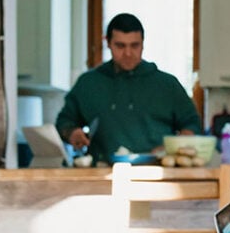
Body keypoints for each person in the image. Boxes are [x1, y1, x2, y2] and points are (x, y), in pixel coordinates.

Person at [55, 12, 203, 164]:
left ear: (143, 44)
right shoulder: (89, 83)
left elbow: (192, 124)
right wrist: (72, 133)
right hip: (102, 172)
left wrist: (174, 146)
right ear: (108, 43)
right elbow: (65, 121)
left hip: (157, 171)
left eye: (134, 45)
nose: (128, 53)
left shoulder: (167, 84)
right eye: (120, 46)